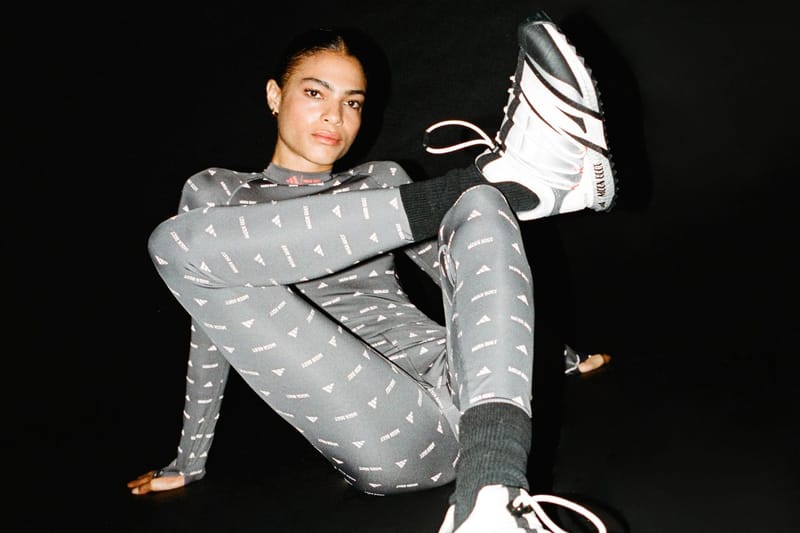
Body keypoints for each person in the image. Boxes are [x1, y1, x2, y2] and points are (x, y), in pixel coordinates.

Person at [128, 11, 614, 532]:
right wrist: (189, 459)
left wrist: (557, 357)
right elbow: (213, 325)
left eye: (352, 102)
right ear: (274, 95)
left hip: (479, 395)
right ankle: (510, 179)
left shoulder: (381, 180)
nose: (334, 116)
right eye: (315, 93)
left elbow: (464, 270)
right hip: (389, 431)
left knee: (479, 205)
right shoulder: (218, 193)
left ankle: (493, 497)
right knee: (176, 244)